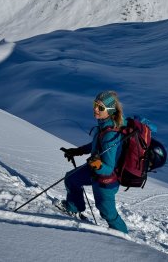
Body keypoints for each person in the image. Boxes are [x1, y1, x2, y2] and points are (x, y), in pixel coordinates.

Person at [57, 91, 128, 234]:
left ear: (109, 111)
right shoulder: (103, 127)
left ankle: (123, 238)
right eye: (95, 105)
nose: (95, 109)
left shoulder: (110, 135)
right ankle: (74, 209)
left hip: (106, 180)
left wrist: (97, 164)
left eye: (100, 107)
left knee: (107, 212)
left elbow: (108, 168)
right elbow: (95, 145)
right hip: (94, 170)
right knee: (71, 179)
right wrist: (77, 151)